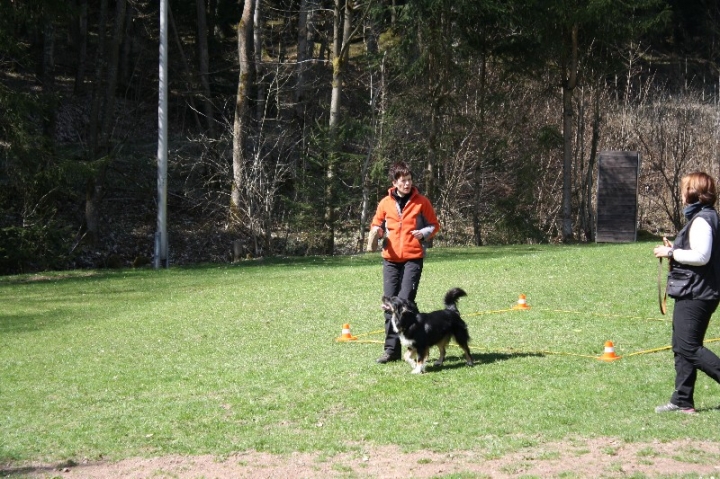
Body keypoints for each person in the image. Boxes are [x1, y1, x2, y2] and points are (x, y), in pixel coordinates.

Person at [653, 171, 720, 413]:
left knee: (689, 346)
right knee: (681, 345)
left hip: (697, 293)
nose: (681, 195)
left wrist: (670, 253)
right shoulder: (705, 217)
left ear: (692, 193)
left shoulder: (702, 219)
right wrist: (677, 247)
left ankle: (682, 398)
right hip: (697, 290)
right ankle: (682, 399)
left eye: (684, 190)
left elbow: (702, 257)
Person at [369, 161, 440, 363]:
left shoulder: (422, 202)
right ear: (395, 183)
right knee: (390, 304)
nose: (407, 184)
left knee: (405, 302)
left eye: (409, 180)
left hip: (413, 259)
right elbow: (376, 224)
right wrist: (378, 232)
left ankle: (419, 342)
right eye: (403, 181)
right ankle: (391, 351)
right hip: (390, 260)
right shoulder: (385, 203)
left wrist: (424, 233)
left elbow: (434, 225)